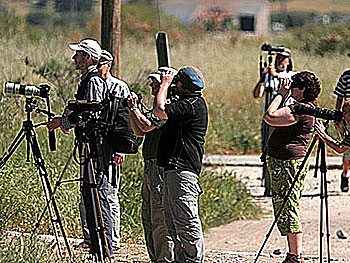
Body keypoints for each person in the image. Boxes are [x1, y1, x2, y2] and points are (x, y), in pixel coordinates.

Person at [47, 38, 113, 259]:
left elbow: (91, 114)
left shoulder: (93, 81)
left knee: (97, 195)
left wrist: (62, 123)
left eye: (79, 55)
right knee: (89, 194)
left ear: (89, 58)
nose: (74, 58)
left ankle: (104, 250)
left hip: (95, 147)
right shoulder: (88, 80)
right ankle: (97, 249)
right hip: (89, 145)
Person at [263, 71, 321, 263]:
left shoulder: (301, 109)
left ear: (302, 89)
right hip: (285, 161)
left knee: (289, 206)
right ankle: (294, 253)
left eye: (294, 86)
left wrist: (280, 93)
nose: (291, 89)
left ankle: (295, 255)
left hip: (288, 162)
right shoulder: (308, 107)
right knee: (286, 205)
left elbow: (270, 116)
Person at [153, 66, 208, 263]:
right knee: (172, 220)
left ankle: (194, 259)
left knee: (186, 219)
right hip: (174, 169)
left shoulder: (192, 104)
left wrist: (165, 85)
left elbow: (159, 110)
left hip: (183, 170)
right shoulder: (188, 102)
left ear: (181, 85)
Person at [127, 67, 175, 262]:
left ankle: (165, 257)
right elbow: (139, 132)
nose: (152, 86)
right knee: (148, 214)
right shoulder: (157, 106)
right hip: (150, 163)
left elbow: (147, 126)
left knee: (159, 215)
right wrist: (132, 110)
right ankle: (155, 256)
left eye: (156, 82)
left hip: (159, 165)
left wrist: (134, 109)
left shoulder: (166, 107)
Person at [253, 49, 295, 196]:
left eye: (284, 59)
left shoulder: (291, 76)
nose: (280, 62)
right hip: (269, 119)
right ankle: (268, 185)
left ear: (289, 61)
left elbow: (287, 83)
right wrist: (263, 77)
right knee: (266, 149)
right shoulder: (269, 77)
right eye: (278, 59)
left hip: (283, 119)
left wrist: (274, 75)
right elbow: (257, 94)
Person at [333, 69, 350, 192]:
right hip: (348, 116)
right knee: (347, 148)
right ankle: (345, 173)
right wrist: (337, 115)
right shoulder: (346, 76)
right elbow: (339, 96)